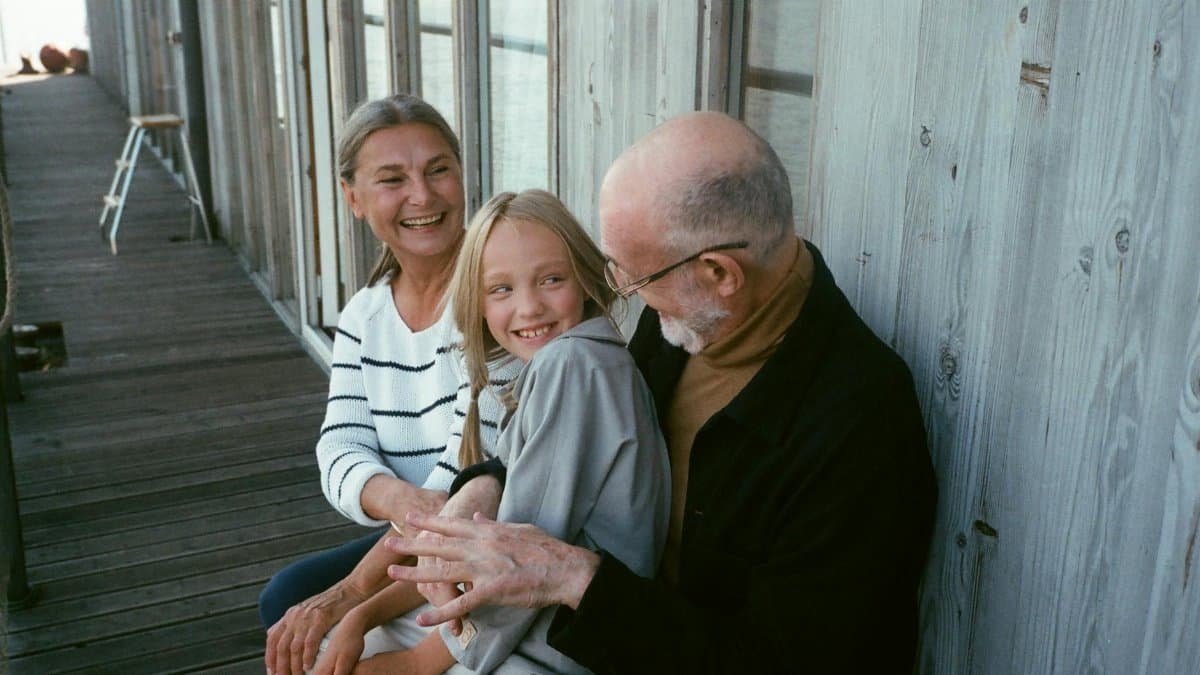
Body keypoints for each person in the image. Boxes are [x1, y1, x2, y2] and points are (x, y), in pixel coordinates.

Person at [387, 111, 939, 673]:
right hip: (588, 641)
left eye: (635, 277)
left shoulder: (860, 425)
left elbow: (786, 658)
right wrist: (485, 482)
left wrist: (577, 578)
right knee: (297, 595)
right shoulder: (689, 320)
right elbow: (581, 448)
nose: (625, 293)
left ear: (719, 272)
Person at [314, 189, 671, 674]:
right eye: (501, 289)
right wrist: (361, 613)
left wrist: (418, 664)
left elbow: (513, 562)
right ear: (477, 303)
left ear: (586, 279)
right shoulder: (556, 365)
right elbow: (471, 551)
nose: (528, 308)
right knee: (333, 648)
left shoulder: (576, 365)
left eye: (551, 279)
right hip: (516, 632)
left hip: (555, 648)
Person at [260, 94, 511, 675]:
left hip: (490, 532)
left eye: (438, 169)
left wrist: (352, 599)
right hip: (414, 535)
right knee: (285, 600)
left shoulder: (501, 294)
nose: (422, 196)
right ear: (354, 197)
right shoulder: (364, 315)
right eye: (393, 179)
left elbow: (467, 485)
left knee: (323, 618)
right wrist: (403, 498)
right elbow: (339, 448)